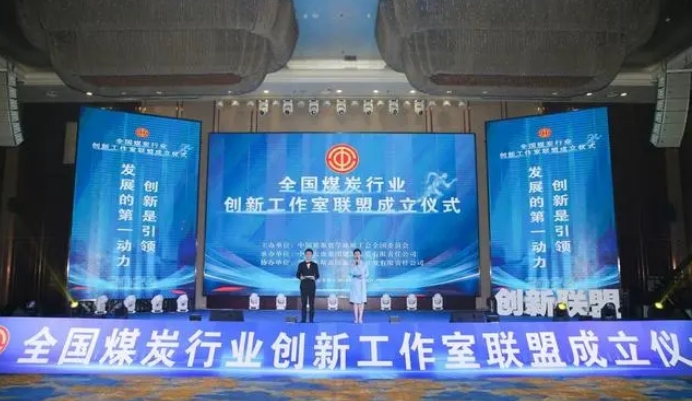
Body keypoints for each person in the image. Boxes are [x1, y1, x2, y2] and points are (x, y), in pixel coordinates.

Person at [296, 248, 319, 323]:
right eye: (307, 254)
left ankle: (311, 320)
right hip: (303, 286)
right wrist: (301, 277)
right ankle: (303, 319)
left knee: (312, 303)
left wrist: (314, 277)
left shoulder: (315, 265)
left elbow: (317, 275)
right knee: (304, 303)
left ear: (312, 255)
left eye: (310, 254)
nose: (308, 255)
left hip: (312, 286)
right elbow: (297, 274)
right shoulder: (301, 264)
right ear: (305, 255)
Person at [349, 248, 368, 323]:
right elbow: (350, 272)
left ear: (360, 255)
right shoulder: (352, 264)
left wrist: (362, 276)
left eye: (358, 254)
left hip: (362, 283)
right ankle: (356, 318)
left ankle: (360, 318)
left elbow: (367, 273)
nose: (357, 255)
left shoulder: (364, 264)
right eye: (355, 254)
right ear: (354, 255)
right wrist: (355, 265)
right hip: (355, 283)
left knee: (361, 301)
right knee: (355, 301)